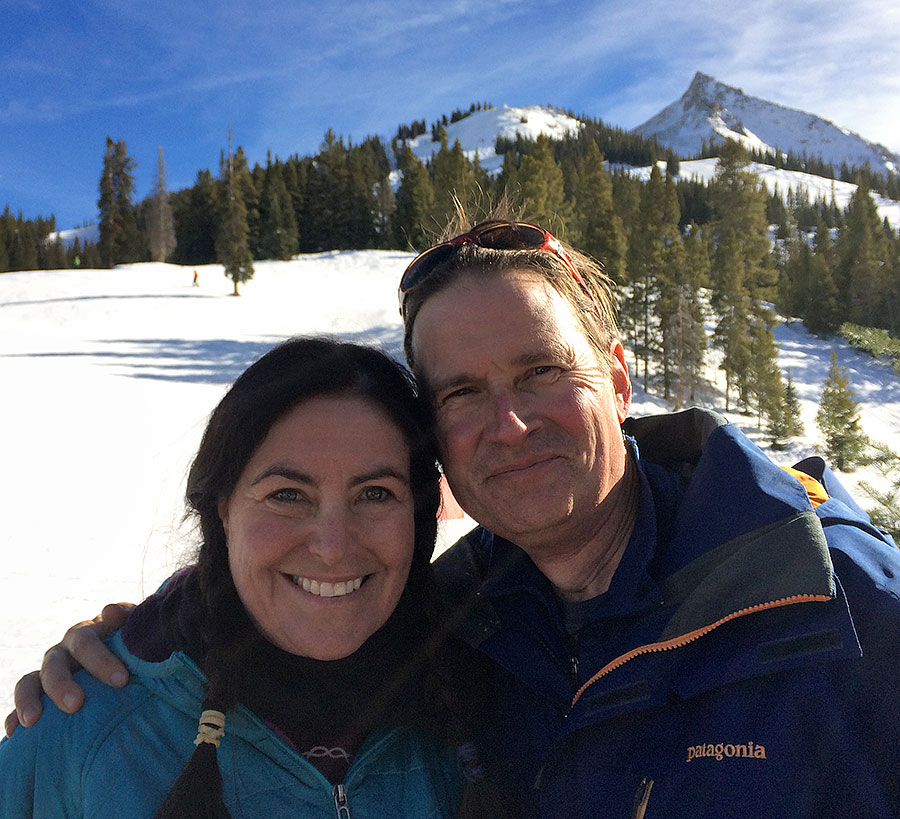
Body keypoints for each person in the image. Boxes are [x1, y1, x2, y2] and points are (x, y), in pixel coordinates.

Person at [9, 215, 900, 817]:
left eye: (542, 372)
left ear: (621, 380)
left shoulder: (837, 604)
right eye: (464, 391)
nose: (509, 424)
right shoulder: (462, 628)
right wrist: (147, 639)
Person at [0, 336, 507, 818]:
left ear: (418, 519)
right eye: (287, 495)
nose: (332, 548)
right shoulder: (84, 737)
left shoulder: (491, 698)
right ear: (223, 510)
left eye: (375, 494)